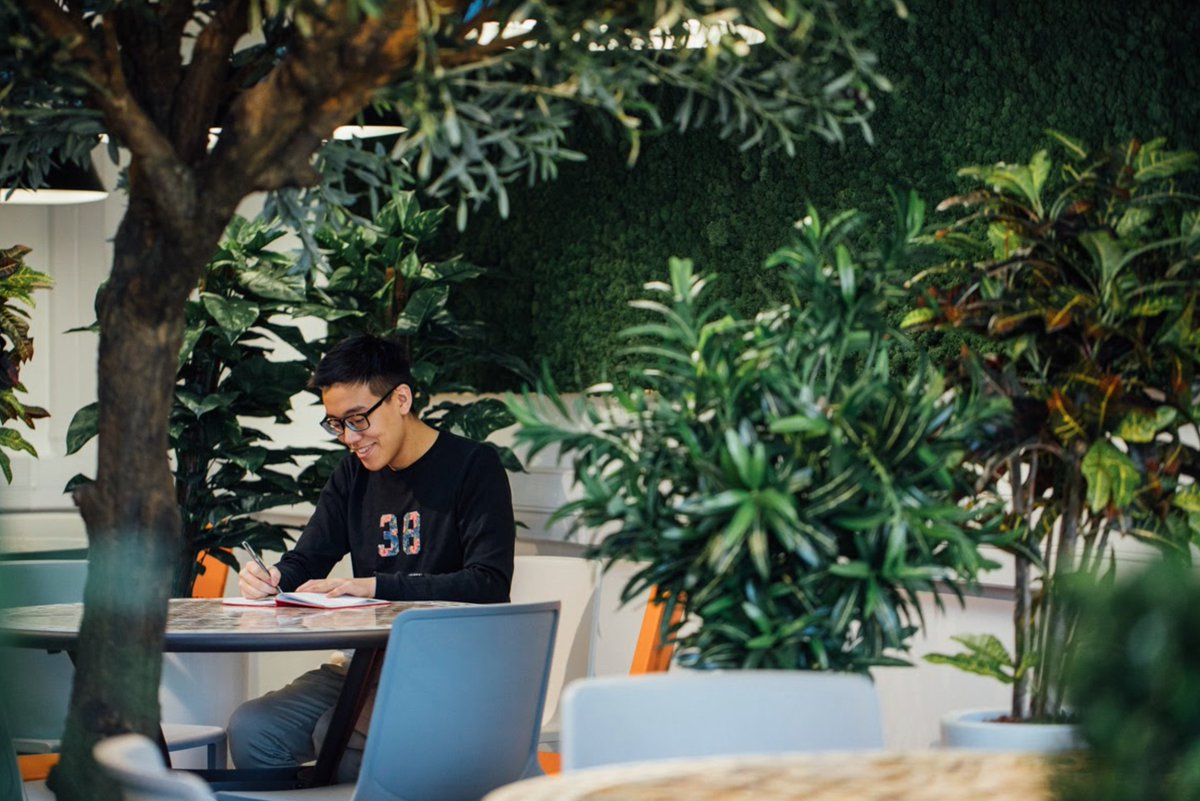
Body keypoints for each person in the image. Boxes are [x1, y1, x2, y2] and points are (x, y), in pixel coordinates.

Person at [227, 333, 515, 781]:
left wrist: (376, 587)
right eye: (336, 424)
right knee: (254, 728)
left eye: (358, 419)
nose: (349, 438)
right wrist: (273, 577)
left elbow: (488, 583)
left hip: (445, 673)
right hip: (365, 665)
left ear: (401, 398)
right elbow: (308, 559)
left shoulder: (473, 467)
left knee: (336, 735)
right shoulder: (352, 476)